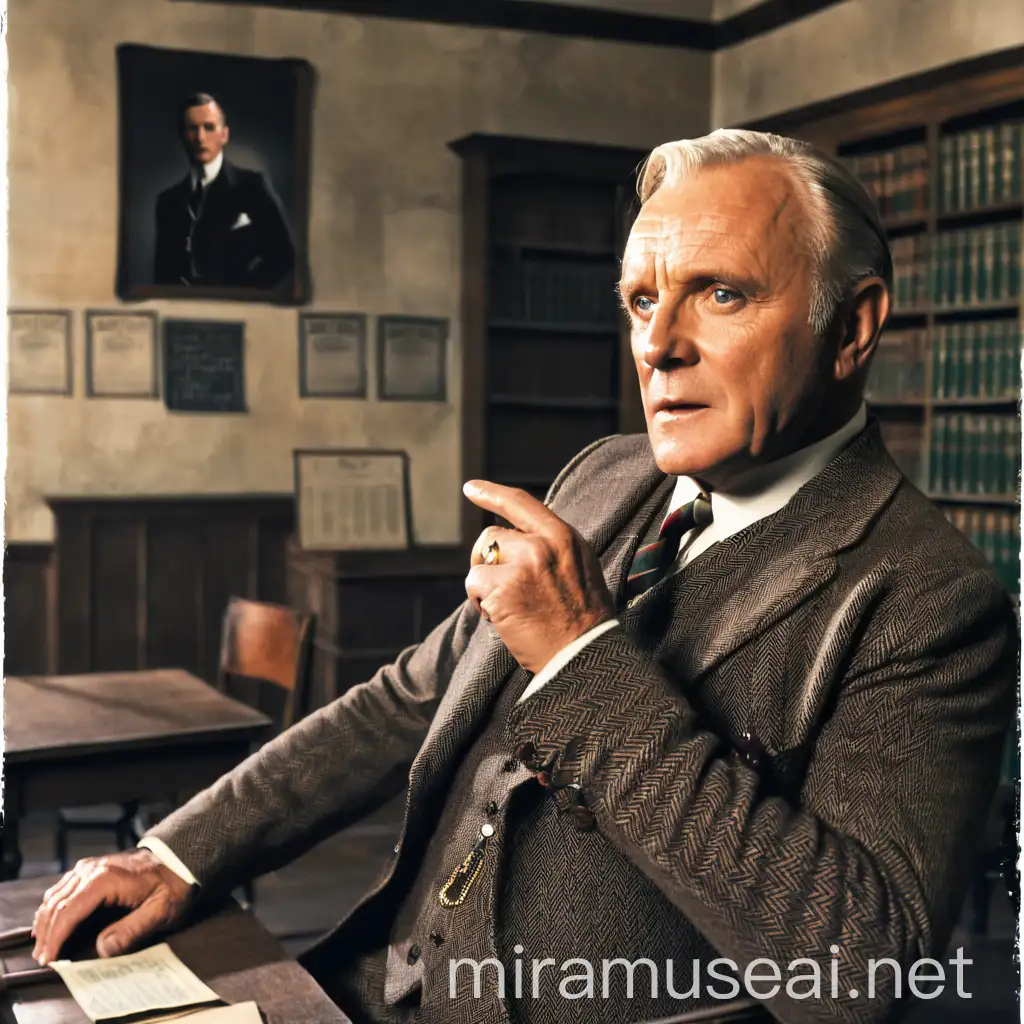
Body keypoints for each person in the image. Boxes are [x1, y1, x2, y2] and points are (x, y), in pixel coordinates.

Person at [33, 130, 1016, 1024]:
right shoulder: (604, 472)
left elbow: (860, 965)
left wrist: (585, 658)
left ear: (851, 328)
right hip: (363, 990)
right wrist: (175, 852)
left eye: (721, 294)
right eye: (641, 299)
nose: (657, 344)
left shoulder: (930, 600)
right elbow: (402, 702)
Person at [153, 92, 295, 289]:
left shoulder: (252, 186)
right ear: (182, 135)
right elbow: (162, 275)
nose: (200, 137)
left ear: (224, 135)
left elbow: (284, 257)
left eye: (209, 127)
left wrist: (242, 293)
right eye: (192, 128)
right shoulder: (168, 201)